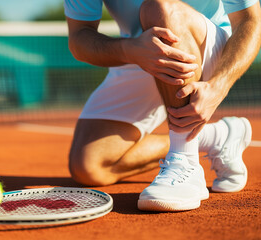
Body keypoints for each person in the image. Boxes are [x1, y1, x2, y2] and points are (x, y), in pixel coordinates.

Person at [64, 0, 261, 211]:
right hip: (139, 49)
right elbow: (79, 36)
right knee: (90, 165)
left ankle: (185, 159)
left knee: (160, 9)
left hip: (208, 43)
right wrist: (129, 50)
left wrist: (219, 85)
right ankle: (218, 136)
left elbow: (250, 20)